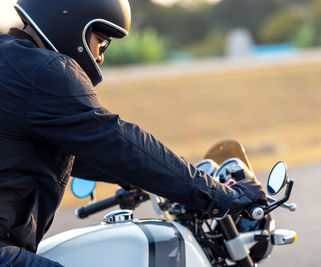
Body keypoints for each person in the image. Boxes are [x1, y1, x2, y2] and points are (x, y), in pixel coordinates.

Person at [0, 0, 268, 266]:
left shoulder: (11, 62)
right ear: (70, 22)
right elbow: (119, 142)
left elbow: (77, 149)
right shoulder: (45, 72)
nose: (100, 56)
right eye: (101, 40)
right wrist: (221, 195)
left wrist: (143, 179)